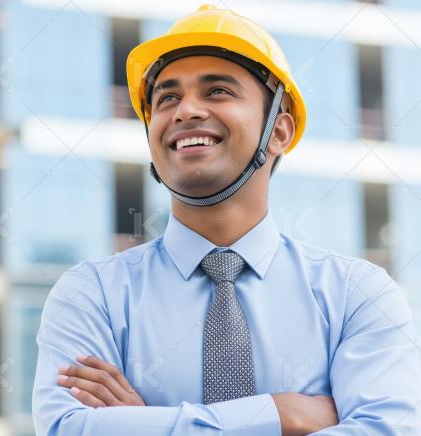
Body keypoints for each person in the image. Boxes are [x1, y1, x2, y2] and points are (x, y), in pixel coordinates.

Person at [32, 4, 421, 435]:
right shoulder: (91, 294)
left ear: (278, 132)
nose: (185, 111)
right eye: (167, 98)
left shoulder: (356, 295)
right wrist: (280, 415)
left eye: (217, 91)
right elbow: (67, 429)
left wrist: (147, 424)